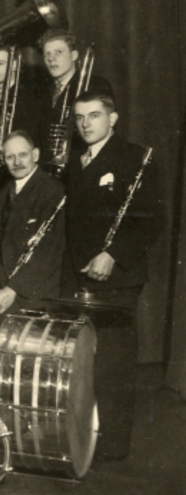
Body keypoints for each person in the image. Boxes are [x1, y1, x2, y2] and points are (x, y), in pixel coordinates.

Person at [62, 92, 161, 461]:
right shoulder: (76, 162)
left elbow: (153, 221)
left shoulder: (135, 157)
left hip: (117, 276)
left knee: (113, 363)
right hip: (80, 275)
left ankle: (112, 446)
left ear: (113, 118)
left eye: (94, 115)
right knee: (83, 362)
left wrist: (113, 256)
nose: (86, 124)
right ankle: (84, 441)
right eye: (79, 117)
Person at [0, 131, 66, 341]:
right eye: (10, 157)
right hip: (0, 278)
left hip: (32, 288)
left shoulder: (51, 190)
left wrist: (12, 289)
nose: (17, 162)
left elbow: (49, 252)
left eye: (23, 155)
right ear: (3, 159)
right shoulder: (4, 193)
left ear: (35, 155)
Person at [39, 29, 113, 170]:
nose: (51, 59)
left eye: (58, 52)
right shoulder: (42, 91)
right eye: (47, 54)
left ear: (74, 55)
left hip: (83, 166)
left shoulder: (95, 84)